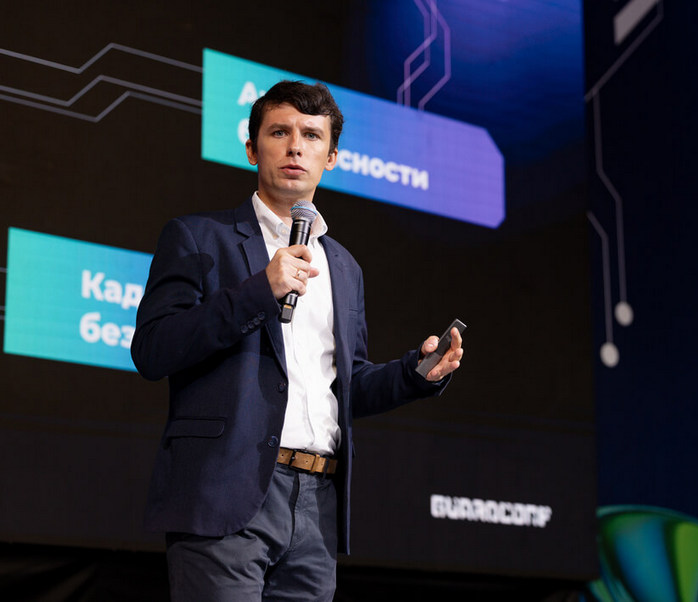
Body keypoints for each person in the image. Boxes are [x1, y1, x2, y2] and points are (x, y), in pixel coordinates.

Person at [131, 80, 463, 601]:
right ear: (251, 149)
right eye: (278, 132)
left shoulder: (344, 266)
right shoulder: (198, 237)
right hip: (225, 495)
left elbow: (345, 385)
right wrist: (259, 291)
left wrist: (414, 375)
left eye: (311, 136)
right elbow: (154, 349)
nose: (294, 147)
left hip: (317, 505)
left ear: (330, 158)